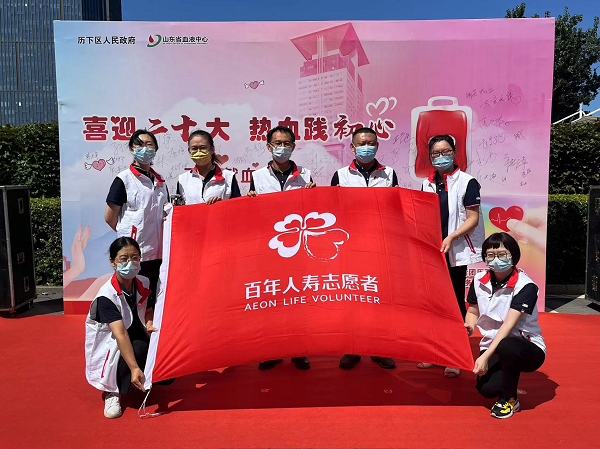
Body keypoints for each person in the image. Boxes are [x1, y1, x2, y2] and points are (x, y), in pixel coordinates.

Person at [418, 134, 485, 378]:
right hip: (432, 251)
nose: (441, 157)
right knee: (434, 303)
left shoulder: (468, 182)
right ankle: (436, 352)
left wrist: (451, 238)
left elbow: (472, 219)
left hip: (454, 251)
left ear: (454, 153)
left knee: (455, 303)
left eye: (445, 152)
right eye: (435, 153)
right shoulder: (426, 184)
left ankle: (455, 355)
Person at [248, 125, 315, 371]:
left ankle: (298, 350)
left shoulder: (305, 175)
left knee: (298, 299)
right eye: (278, 143)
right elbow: (252, 213)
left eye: (287, 143)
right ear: (268, 147)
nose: (282, 148)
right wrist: (251, 201)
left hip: (298, 247)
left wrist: (313, 195)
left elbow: (313, 210)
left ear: (293, 147)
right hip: (270, 247)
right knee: (272, 299)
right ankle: (273, 350)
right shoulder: (257, 176)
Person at [331, 127, 398, 370]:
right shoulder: (340, 175)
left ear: (377, 146)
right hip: (350, 246)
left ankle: (381, 349)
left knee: (381, 298)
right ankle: (352, 348)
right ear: (352, 147)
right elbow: (333, 210)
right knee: (352, 297)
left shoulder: (389, 174)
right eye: (361, 143)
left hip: (381, 245)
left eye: (371, 143)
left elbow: (395, 207)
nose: (366, 147)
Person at [466, 232, 546, 419]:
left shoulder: (526, 286)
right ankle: (506, 375)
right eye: (490, 255)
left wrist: (485, 356)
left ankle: (509, 399)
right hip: (493, 344)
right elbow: (473, 311)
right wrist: (469, 327)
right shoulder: (478, 281)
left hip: (526, 347)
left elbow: (508, 326)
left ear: (513, 255)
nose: (496, 259)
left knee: (507, 345)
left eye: (502, 254)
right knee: (487, 390)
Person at [85, 237, 155, 418]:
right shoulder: (106, 296)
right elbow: (120, 334)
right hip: (112, 342)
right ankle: (113, 391)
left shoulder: (143, 282)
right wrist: (134, 367)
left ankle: (138, 378)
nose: (130, 263)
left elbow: (148, 310)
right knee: (137, 350)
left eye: (135, 257)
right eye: (124, 258)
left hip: (135, 332)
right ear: (113, 262)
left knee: (159, 354)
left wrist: (149, 323)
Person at [105, 129, 170, 312]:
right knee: (133, 300)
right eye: (139, 145)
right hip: (134, 254)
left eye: (149, 145)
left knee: (154, 300)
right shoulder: (123, 179)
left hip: (158, 252)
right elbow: (110, 217)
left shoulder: (160, 181)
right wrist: (130, 236)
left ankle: (151, 330)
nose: (145, 149)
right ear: (132, 149)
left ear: (155, 149)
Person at [176, 129, 241, 204]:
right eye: (194, 148)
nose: (199, 152)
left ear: (212, 149)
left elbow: (237, 205)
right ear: (189, 151)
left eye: (203, 147)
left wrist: (221, 204)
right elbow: (179, 208)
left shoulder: (228, 177)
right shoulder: (183, 179)